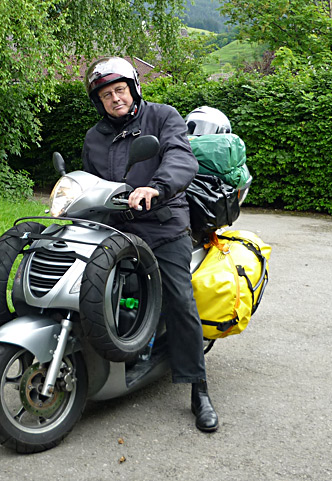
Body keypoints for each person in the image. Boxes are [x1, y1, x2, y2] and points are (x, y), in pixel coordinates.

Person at [81, 56, 219, 432]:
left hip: (163, 224)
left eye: (120, 90)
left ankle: (198, 388)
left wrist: (155, 187)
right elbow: (91, 181)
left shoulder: (162, 116)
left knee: (179, 299)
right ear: (99, 101)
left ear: (134, 88)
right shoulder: (95, 137)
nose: (115, 98)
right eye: (107, 94)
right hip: (117, 227)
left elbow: (180, 157)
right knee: (92, 286)